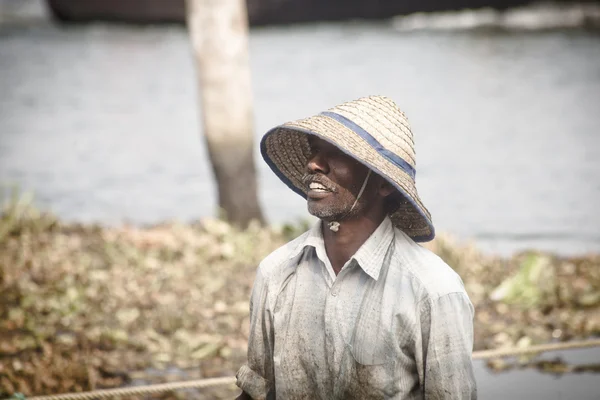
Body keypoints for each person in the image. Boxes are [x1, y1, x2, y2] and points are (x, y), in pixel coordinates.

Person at [235, 96, 476, 399]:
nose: (314, 164)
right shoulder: (277, 273)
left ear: (384, 184)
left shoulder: (433, 290)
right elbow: (257, 391)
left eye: (337, 154)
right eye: (315, 150)